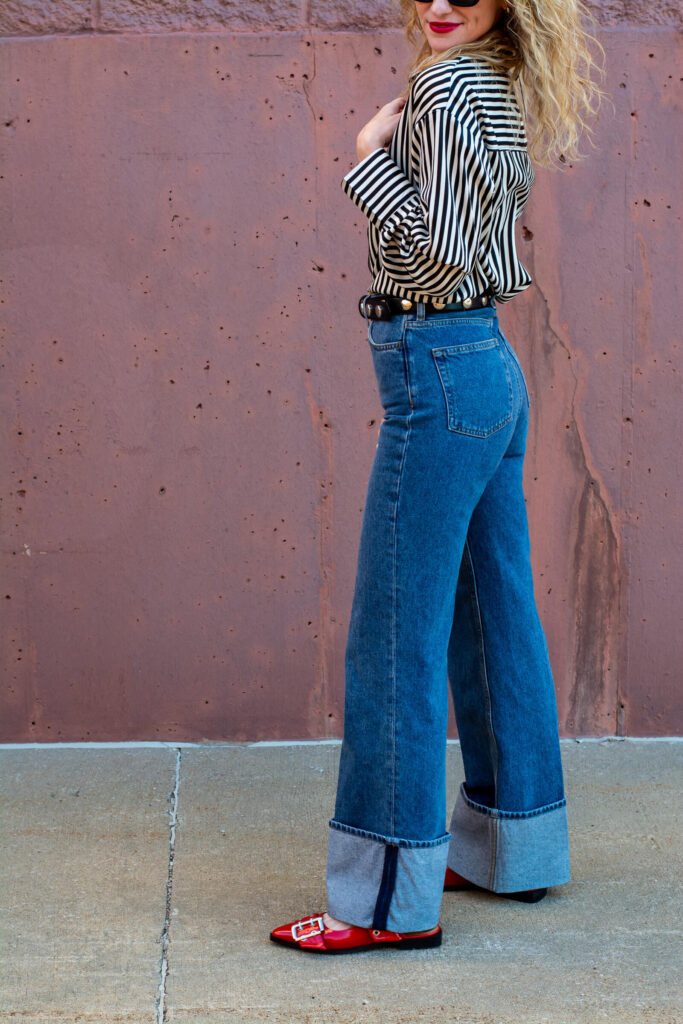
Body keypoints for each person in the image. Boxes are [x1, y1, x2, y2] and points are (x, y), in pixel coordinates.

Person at [270, 0, 607, 954]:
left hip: (438, 368)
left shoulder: (446, 86)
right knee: (493, 616)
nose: (440, 4)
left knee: (393, 631)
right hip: (483, 368)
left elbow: (442, 250)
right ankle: (516, 849)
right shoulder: (495, 84)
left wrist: (368, 156)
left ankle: (381, 900)